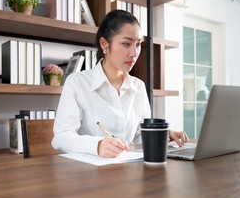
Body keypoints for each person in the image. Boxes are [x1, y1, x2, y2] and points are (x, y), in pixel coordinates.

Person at [52, 10, 189, 158]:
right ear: (104, 44)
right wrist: (97, 145)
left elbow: (137, 138)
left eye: (138, 44)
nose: (134, 53)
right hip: (89, 174)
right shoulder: (77, 83)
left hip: (128, 171)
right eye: (126, 44)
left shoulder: (139, 87)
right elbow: (61, 137)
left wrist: (160, 136)